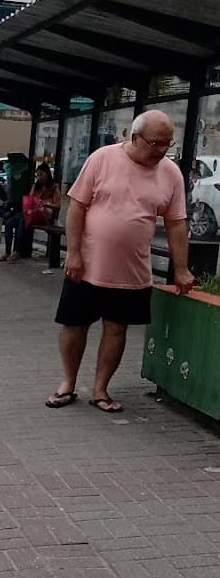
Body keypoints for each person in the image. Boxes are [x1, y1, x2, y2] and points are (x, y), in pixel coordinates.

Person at [46, 109, 194, 414]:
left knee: (117, 329)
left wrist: (181, 268)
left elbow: (177, 223)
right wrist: (72, 252)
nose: (163, 150)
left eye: (168, 143)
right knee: (74, 325)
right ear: (135, 137)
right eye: (156, 143)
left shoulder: (171, 173)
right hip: (86, 265)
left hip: (132, 269)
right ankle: (68, 383)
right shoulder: (102, 158)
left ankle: (100, 389)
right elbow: (77, 207)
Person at [0, 164, 60, 262]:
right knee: (9, 223)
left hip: (44, 216)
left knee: (22, 222)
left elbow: (58, 205)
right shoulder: (36, 186)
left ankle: (17, 251)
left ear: (47, 174)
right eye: (38, 175)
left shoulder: (54, 187)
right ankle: (7, 252)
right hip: (32, 213)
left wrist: (46, 204)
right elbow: (31, 199)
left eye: (42, 174)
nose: (40, 177)